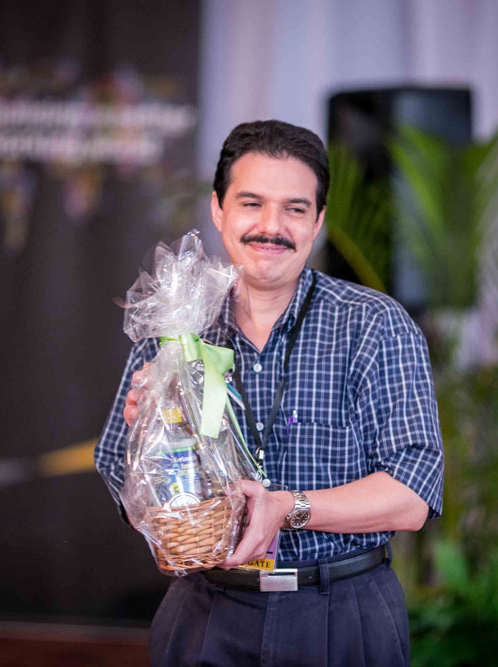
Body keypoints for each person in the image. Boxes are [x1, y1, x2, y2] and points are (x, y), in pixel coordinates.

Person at [95, 119, 443, 666]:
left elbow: (413, 494)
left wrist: (287, 508)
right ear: (218, 209)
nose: (271, 226)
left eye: (295, 209)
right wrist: (155, 443)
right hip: (205, 611)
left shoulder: (374, 325)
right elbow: (120, 468)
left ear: (318, 221)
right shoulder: (177, 329)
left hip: (341, 612)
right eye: (251, 203)